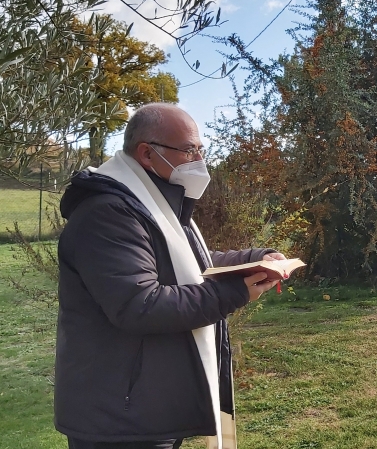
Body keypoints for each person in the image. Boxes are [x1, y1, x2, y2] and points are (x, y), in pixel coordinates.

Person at [55, 103, 285, 449]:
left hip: (145, 404)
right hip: (120, 420)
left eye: (201, 149)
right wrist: (234, 292)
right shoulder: (109, 212)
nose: (199, 160)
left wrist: (255, 260)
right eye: (189, 150)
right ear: (147, 153)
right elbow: (140, 304)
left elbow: (190, 263)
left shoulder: (150, 201)